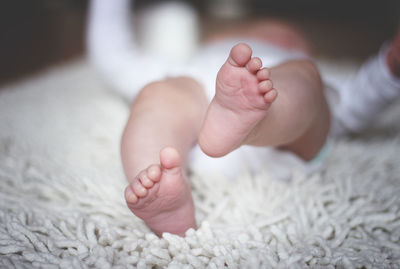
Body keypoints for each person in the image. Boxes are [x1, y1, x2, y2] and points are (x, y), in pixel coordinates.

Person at [87, 0, 400, 237]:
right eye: (256, 31)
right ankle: (161, 191)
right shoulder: (185, 66)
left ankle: (253, 121)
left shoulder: (300, 64)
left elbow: (355, 103)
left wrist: (389, 68)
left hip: (283, 139)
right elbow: (116, 60)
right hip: (195, 127)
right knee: (158, 95)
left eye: (292, 39)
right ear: (216, 40)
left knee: (308, 82)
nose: (278, 33)